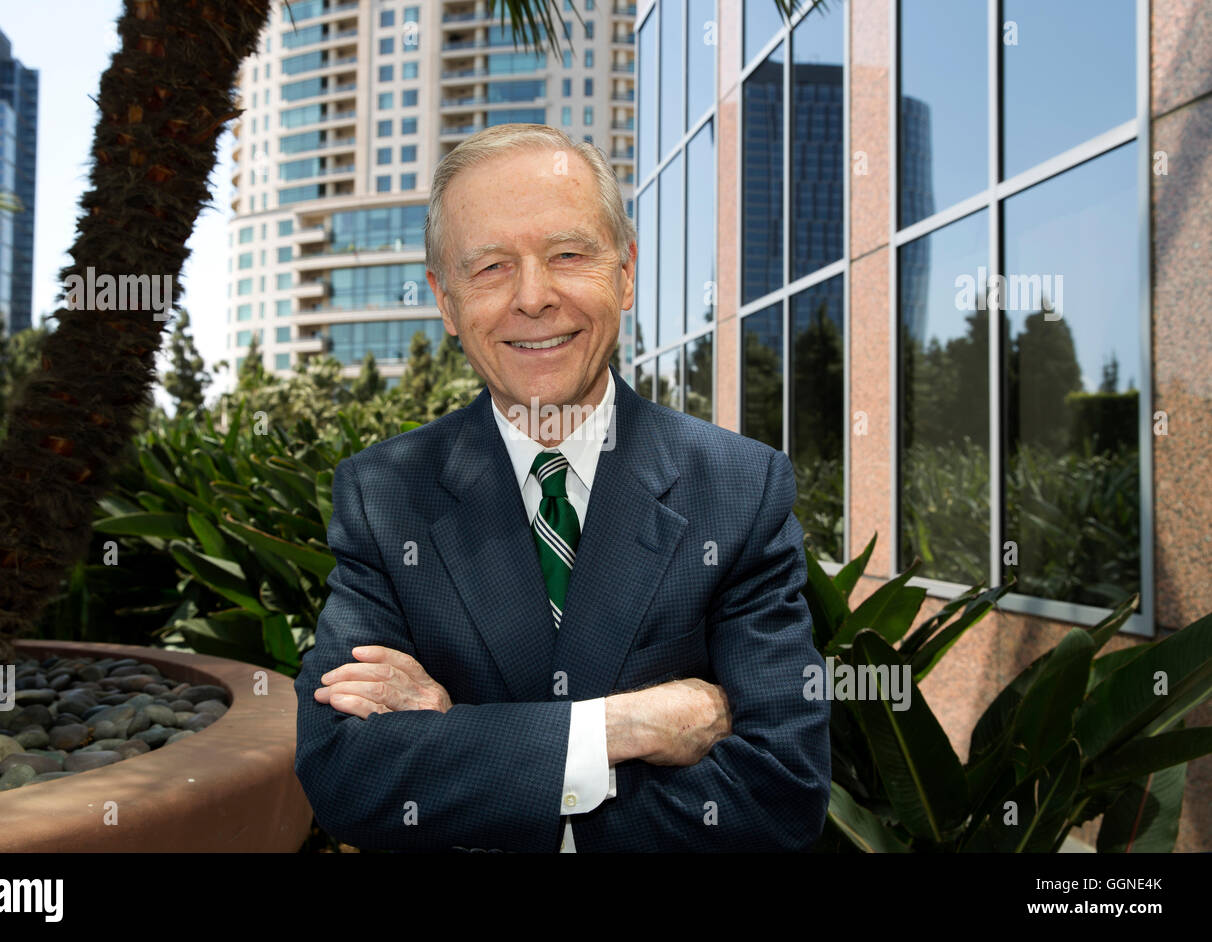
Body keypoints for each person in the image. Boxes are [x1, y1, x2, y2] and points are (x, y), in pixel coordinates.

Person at [293, 123, 830, 852]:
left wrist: (462, 743)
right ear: (445, 302)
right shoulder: (385, 496)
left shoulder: (738, 488)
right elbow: (349, 774)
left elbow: (779, 792)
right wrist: (624, 728)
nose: (534, 297)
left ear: (626, 271)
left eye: (568, 255)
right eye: (489, 268)